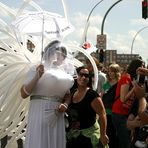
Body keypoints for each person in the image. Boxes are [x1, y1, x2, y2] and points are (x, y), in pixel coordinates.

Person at [20, 40, 74, 148]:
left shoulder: (63, 72)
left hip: (57, 113)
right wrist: (37, 76)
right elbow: (23, 93)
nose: (60, 56)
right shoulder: (37, 67)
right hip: (40, 111)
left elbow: (67, 95)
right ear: (49, 52)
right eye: (58, 52)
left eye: (63, 54)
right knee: (40, 140)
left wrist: (66, 104)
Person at [66, 66, 109, 148]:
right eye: (81, 75)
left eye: (86, 76)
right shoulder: (72, 92)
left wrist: (103, 134)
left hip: (88, 137)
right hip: (74, 136)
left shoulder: (92, 95)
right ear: (76, 76)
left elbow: (102, 114)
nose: (83, 77)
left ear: (89, 78)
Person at [111, 58, 145, 148]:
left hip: (126, 114)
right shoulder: (126, 78)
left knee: (125, 140)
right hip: (119, 113)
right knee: (125, 142)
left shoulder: (135, 79)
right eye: (141, 66)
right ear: (136, 67)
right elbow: (123, 99)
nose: (143, 68)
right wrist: (134, 87)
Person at [101, 63, 121, 148]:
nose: (110, 73)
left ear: (116, 72)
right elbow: (101, 98)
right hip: (107, 112)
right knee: (108, 133)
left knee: (116, 135)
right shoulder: (105, 84)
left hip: (117, 113)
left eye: (112, 71)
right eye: (109, 71)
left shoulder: (120, 84)